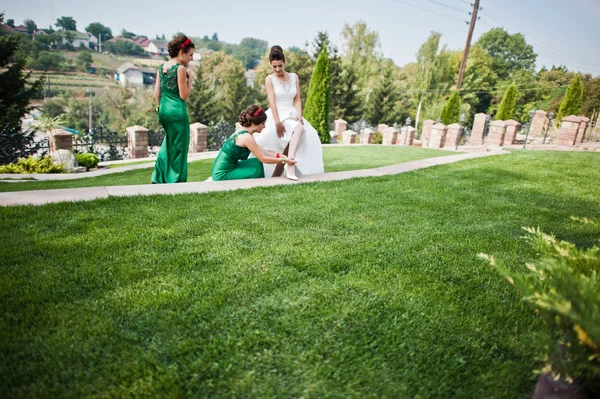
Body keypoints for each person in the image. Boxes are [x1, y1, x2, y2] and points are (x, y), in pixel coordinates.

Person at [252, 45, 324, 180]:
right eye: (274, 66)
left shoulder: (294, 77)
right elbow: (272, 102)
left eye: (280, 65)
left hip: (292, 113)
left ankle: (293, 169)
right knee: (291, 132)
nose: (278, 69)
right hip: (277, 114)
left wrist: (299, 114)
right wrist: (277, 121)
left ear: (284, 62)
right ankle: (285, 169)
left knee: (308, 133)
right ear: (271, 65)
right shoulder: (269, 79)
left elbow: (297, 99)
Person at [151, 35, 195, 184]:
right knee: (180, 145)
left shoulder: (161, 67)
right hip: (177, 111)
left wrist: (159, 108)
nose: (192, 58)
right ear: (182, 52)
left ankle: (158, 177)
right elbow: (184, 95)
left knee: (168, 142)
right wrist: (190, 81)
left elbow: (157, 93)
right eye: (190, 55)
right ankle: (176, 179)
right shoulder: (180, 68)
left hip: (163, 110)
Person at [211, 105, 296, 181]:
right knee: (257, 171)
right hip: (222, 174)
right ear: (254, 124)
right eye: (263, 123)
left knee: (257, 163)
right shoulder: (246, 137)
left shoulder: (244, 132)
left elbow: (259, 151)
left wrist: (279, 155)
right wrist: (284, 160)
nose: (264, 126)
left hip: (227, 167)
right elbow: (263, 158)